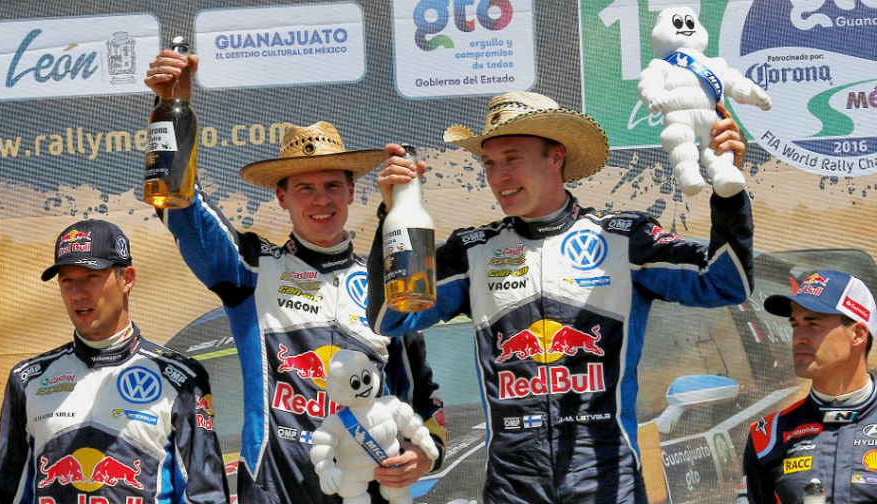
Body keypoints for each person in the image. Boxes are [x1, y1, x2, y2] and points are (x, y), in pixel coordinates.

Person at [367, 91, 754, 504]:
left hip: (607, 482)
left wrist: (728, 191)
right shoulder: (473, 250)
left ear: (556, 157)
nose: (498, 176)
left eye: (512, 159)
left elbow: (724, 283)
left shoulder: (623, 238)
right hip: (513, 488)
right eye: (490, 163)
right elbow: (391, 318)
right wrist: (393, 215)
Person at [144, 50, 446, 504]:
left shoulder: (387, 283)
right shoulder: (252, 269)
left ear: (351, 191)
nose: (321, 201)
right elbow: (183, 211)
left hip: (365, 491)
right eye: (305, 188)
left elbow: (421, 392)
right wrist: (172, 107)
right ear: (281, 197)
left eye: (331, 186)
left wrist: (424, 454)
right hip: (274, 489)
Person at [0, 219, 230, 504]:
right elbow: (4, 496)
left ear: (127, 279)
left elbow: (206, 496)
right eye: (67, 280)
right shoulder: (28, 380)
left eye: (91, 277)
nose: (78, 294)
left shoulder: (181, 379)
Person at [741, 269, 877, 504]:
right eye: (795, 325)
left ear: (857, 334)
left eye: (813, 324)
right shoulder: (768, 436)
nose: (798, 338)